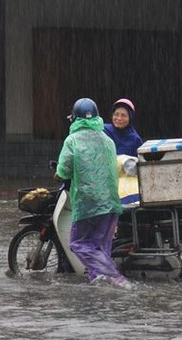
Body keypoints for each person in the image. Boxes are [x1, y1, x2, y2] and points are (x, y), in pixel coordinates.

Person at [55, 98, 128, 286]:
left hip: (88, 204)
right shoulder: (108, 140)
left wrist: (59, 174)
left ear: (75, 119)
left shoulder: (72, 141)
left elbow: (64, 170)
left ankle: (116, 277)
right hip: (111, 204)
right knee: (101, 249)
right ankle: (100, 285)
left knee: (79, 244)